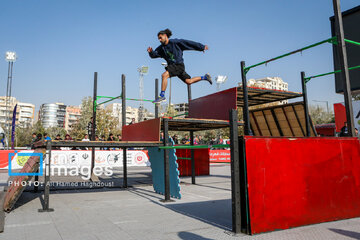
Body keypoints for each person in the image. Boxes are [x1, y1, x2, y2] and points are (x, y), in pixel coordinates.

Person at [148, 28, 212, 103]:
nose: (159, 40)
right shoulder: (161, 48)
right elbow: (154, 55)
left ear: (165, 36)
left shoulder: (175, 42)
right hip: (175, 68)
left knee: (164, 75)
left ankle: (162, 96)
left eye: (160, 38)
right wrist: (151, 52)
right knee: (189, 81)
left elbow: (188, 43)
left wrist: (201, 47)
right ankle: (205, 77)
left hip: (178, 65)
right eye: (158, 39)